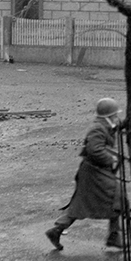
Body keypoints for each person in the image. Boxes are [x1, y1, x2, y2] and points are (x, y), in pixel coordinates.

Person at [46, 97, 124, 251]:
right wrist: (112, 159)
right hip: (94, 172)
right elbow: (94, 150)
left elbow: (117, 125)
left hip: (95, 171)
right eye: (115, 115)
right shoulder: (98, 129)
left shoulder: (105, 125)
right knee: (116, 196)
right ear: (108, 117)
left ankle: (57, 230)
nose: (117, 118)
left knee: (83, 203)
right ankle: (114, 236)